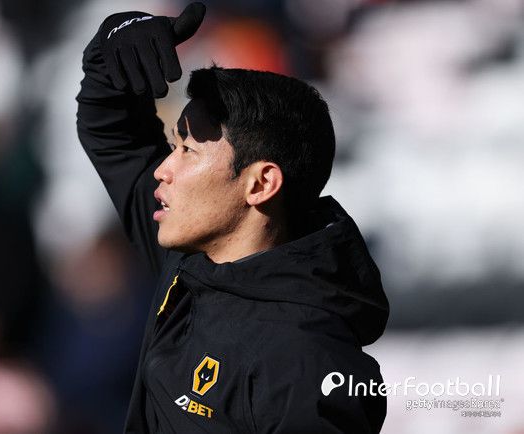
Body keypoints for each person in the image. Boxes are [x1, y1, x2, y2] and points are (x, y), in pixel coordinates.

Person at [76, 3, 389, 433]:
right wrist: (113, 44)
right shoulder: (190, 257)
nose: (164, 169)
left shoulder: (307, 363)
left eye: (188, 151)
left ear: (260, 184)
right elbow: (112, 132)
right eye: (174, 145)